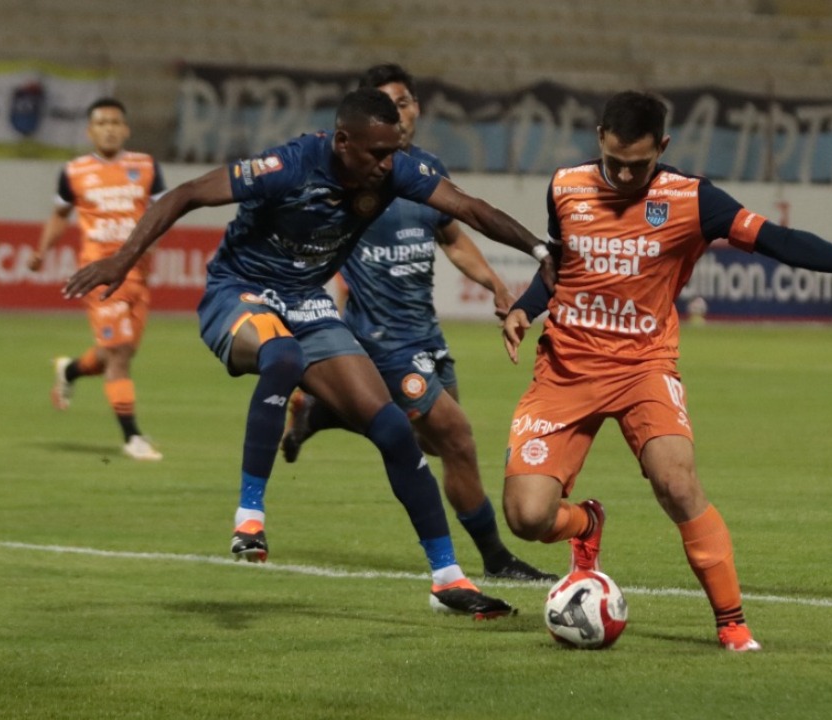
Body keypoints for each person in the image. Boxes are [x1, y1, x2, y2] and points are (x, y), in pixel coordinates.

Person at [63, 87, 557, 618]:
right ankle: (249, 517)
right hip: (238, 292)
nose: (387, 164)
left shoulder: (394, 171)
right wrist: (122, 260)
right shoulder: (287, 165)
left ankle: (447, 580)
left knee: (391, 426)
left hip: (303, 300)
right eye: (376, 153)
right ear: (343, 141)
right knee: (282, 357)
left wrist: (539, 250)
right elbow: (182, 195)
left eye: (392, 152)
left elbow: (469, 208)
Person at [499, 91, 832, 651]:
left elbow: (781, 242)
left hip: (643, 368)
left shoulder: (692, 199)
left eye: (640, 164)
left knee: (678, 483)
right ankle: (585, 524)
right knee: (527, 517)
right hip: (565, 370)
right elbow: (562, 266)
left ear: (663, 147)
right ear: (599, 140)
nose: (627, 175)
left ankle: (731, 623)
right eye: (615, 163)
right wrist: (522, 307)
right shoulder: (565, 186)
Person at [280, 64, 555, 583]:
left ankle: (322, 414)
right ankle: (496, 558)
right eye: (386, 106)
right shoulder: (349, 177)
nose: (399, 114)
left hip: (425, 333)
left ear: (417, 107)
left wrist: (496, 283)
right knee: (456, 437)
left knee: (433, 442)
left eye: (404, 103)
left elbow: (451, 235)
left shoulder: (424, 170)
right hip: (380, 339)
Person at [29, 97, 166, 461]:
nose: (108, 128)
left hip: (137, 274)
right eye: (101, 123)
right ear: (90, 131)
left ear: (126, 129)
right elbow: (61, 214)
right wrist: (42, 250)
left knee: (114, 355)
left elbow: (165, 210)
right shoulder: (74, 171)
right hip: (99, 274)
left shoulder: (147, 167)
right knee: (120, 355)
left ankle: (70, 370)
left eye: (114, 122)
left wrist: (154, 242)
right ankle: (132, 437)